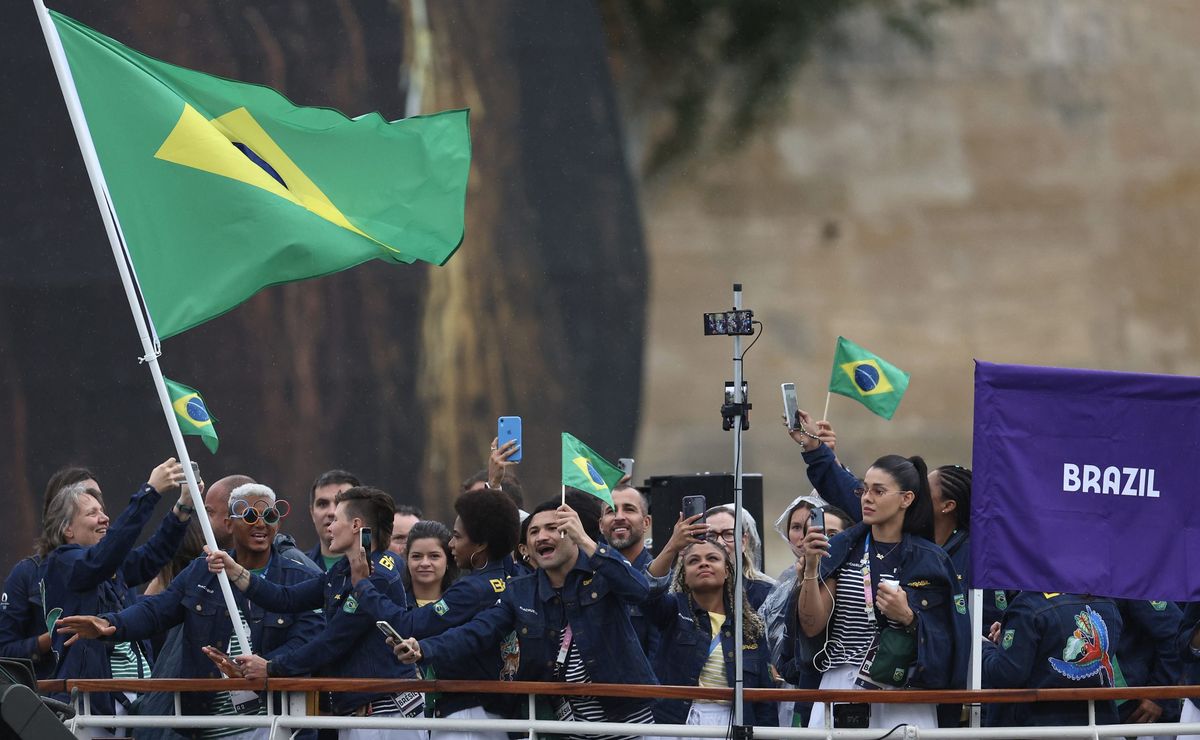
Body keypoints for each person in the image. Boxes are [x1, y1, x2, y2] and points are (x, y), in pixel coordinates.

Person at [57, 483, 324, 740]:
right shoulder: (202, 571)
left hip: (276, 726)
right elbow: (155, 611)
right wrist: (108, 624)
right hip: (205, 727)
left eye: (270, 515)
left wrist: (266, 667)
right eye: (250, 515)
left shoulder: (297, 576)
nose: (261, 523)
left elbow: (309, 640)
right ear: (228, 524)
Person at [392, 499, 658, 739]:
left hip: (626, 719)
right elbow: (478, 630)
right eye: (533, 531)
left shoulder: (602, 573)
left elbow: (639, 590)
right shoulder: (520, 590)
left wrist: (587, 542)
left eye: (553, 528)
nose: (541, 536)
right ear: (526, 547)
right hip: (566, 725)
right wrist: (423, 648)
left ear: (573, 533)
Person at [208, 486, 423, 740]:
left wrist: (272, 667)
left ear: (356, 525)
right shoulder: (343, 570)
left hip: (387, 716)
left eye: (335, 520)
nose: (328, 527)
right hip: (358, 715)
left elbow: (332, 641)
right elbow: (286, 598)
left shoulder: (378, 577)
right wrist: (236, 571)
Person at [795, 455, 970, 729]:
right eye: (864, 490)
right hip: (840, 683)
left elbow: (954, 640)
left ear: (907, 499)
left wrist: (910, 618)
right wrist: (811, 570)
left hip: (904, 691)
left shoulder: (932, 560)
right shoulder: (841, 548)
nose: (867, 498)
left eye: (878, 491)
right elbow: (811, 625)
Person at [350, 486, 519, 737]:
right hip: (491, 715)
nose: (451, 544)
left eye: (457, 537)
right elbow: (501, 530)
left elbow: (408, 625)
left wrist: (363, 586)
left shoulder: (472, 589)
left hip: (466, 721)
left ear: (481, 544)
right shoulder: (509, 577)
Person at [40, 460, 191, 732]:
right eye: (92, 513)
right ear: (67, 529)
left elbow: (151, 557)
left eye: (103, 511)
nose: (105, 518)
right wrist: (150, 492)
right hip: (93, 708)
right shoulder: (64, 564)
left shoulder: (106, 564)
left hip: (137, 701)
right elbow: (105, 556)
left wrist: (182, 509)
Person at [642, 536, 777, 732]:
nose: (703, 563)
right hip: (676, 723)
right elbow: (647, 595)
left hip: (734, 722)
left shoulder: (749, 626)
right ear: (684, 576)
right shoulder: (673, 610)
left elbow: (764, 696)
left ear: (726, 572)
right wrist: (672, 546)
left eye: (713, 558)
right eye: (693, 561)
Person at [0, 466, 98, 678]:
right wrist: (54, 636)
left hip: (113, 699)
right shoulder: (26, 574)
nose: (102, 515)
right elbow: (4, 652)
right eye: (89, 505)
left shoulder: (115, 572)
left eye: (100, 502)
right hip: (51, 702)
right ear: (63, 520)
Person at [760, 495, 848, 727]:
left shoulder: (849, 580)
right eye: (797, 528)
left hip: (828, 686)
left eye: (831, 534)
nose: (806, 538)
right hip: (786, 691)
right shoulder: (782, 582)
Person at [982, 592, 1124, 727]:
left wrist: (984, 648)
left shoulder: (1028, 605)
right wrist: (1015, 633)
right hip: (1099, 725)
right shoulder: (1107, 603)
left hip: (1037, 727)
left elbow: (1006, 674)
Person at [599, 484, 658, 657]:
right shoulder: (586, 576)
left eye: (629, 509)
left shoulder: (661, 578)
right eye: (611, 511)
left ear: (646, 522)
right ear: (601, 525)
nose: (619, 517)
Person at [702, 504, 775, 609]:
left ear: (743, 542)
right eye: (711, 536)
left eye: (728, 534)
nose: (719, 543)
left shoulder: (767, 595)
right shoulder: (686, 594)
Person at [304, 470, 359, 572]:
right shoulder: (297, 568)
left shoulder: (378, 566)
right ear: (312, 513)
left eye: (341, 503)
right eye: (322, 504)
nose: (332, 512)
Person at [400, 520, 458, 608]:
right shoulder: (393, 602)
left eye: (434, 556)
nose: (425, 563)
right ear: (407, 559)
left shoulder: (461, 603)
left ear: (448, 560)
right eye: (416, 556)